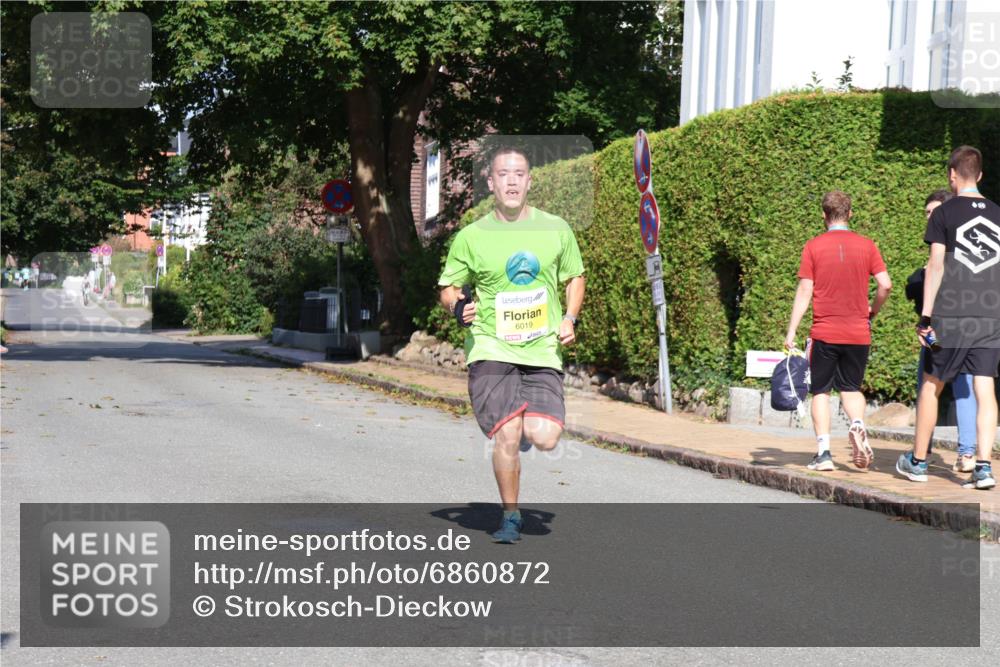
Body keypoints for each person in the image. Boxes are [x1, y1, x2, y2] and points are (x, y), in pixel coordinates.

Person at [438, 145, 585, 543]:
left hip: (541, 349)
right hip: (491, 347)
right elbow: (448, 288)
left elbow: (575, 276)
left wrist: (569, 317)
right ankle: (511, 516)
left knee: (545, 436)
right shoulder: (472, 237)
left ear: (530, 181)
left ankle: (520, 429)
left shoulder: (555, 228)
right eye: (503, 174)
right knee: (506, 434)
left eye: (519, 174)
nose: (512, 181)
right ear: (491, 183)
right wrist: (458, 306)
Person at [897, 145, 999, 490]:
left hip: (949, 317)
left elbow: (936, 266)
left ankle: (918, 462)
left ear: (952, 175)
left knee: (931, 384)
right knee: (985, 386)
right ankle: (983, 467)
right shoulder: (998, 214)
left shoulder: (944, 213)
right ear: (980, 175)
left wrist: (925, 318)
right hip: (990, 317)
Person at [784, 191, 892, 471]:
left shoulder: (813, 247)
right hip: (858, 332)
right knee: (851, 388)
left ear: (824, 215)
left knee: (821, 391)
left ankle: (824, 454)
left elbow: (805, 290)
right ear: (850, 214)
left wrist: (791, 330)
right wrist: (872, 311)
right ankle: (857, 423)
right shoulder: (867, 246)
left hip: (825, 332)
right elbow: (885, 285)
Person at [905, 189, 978, 473]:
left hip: (944, 327)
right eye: (926, 213)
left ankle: (946, 453)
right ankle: (939, 450)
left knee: (948, 385)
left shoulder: (945, 249)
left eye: (934, 212)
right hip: (952, 329)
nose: (929, 218)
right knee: (941, 385)